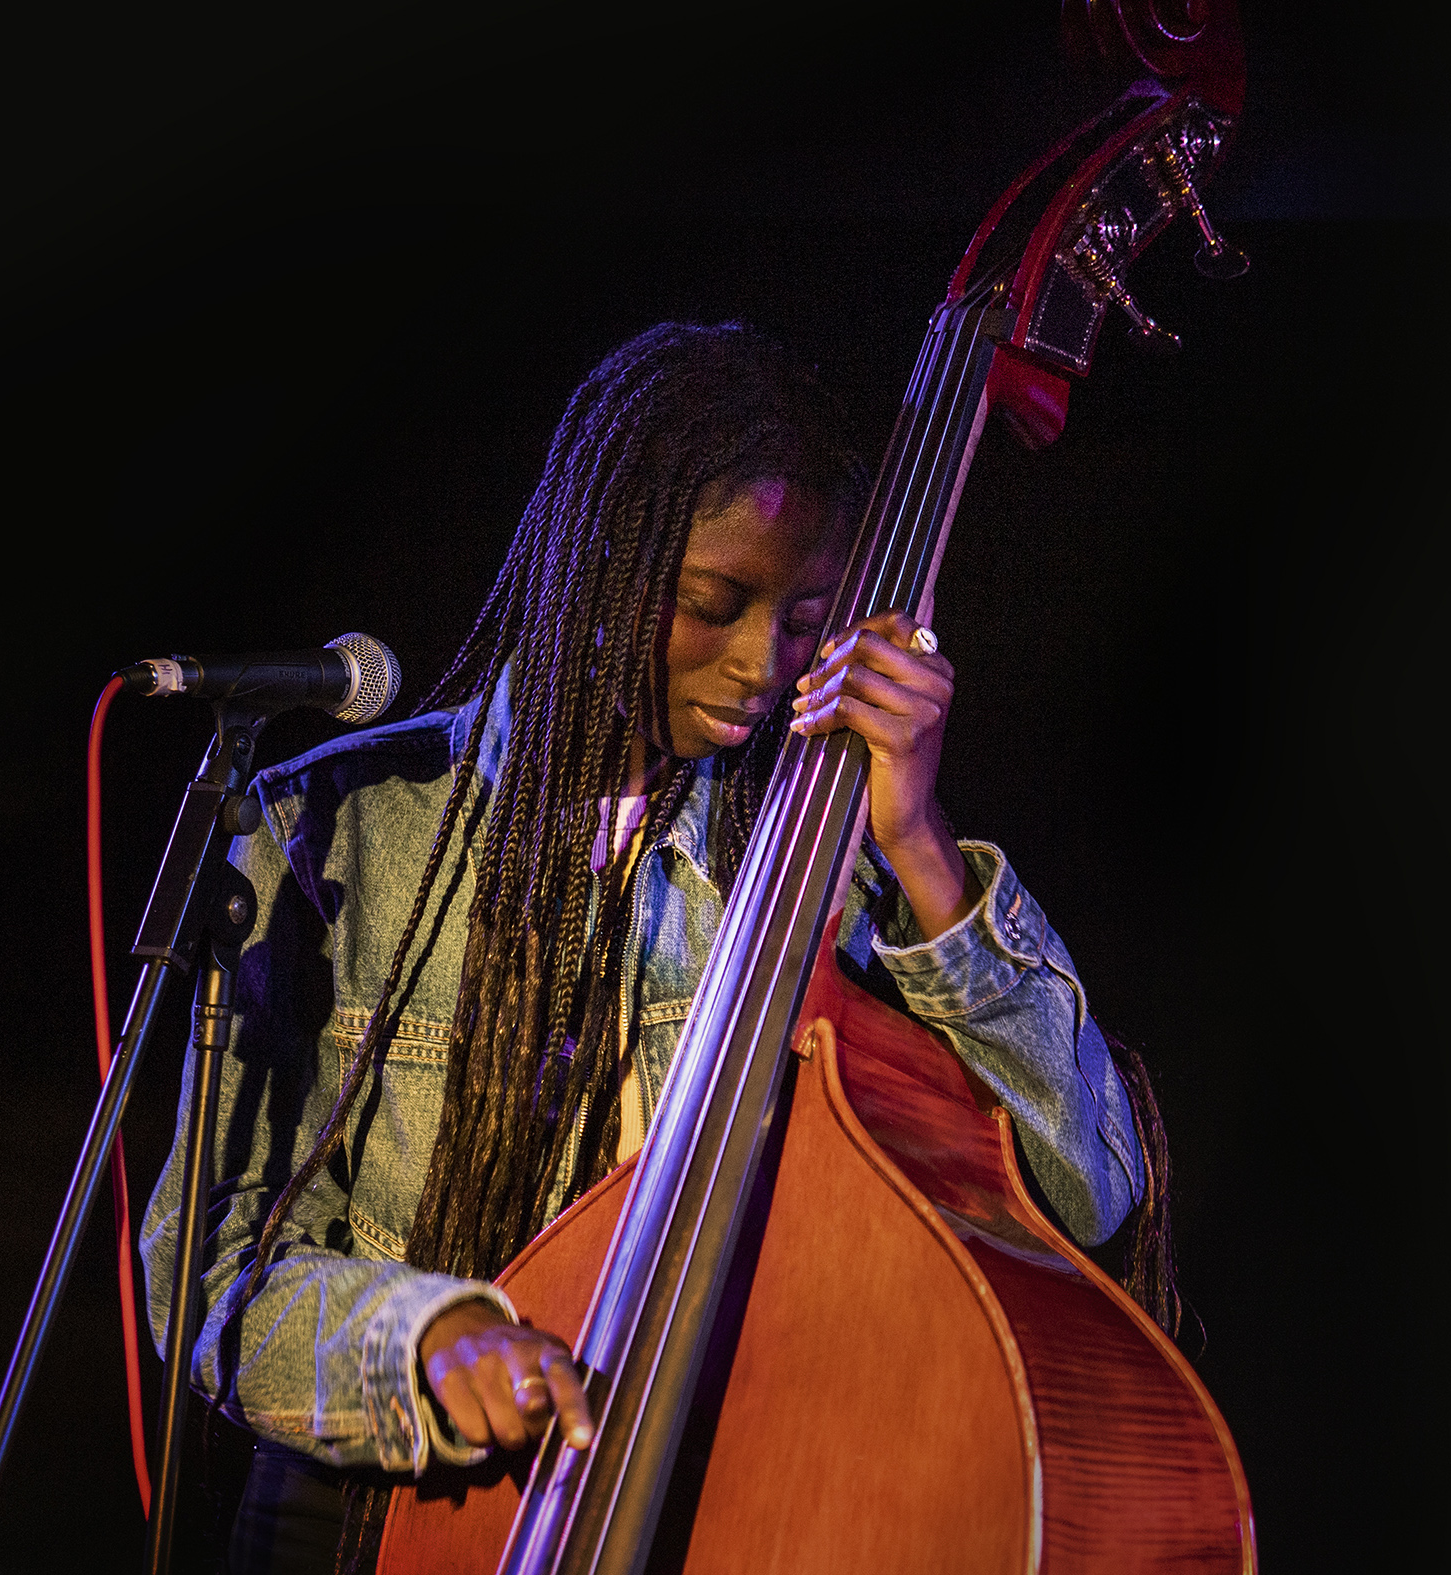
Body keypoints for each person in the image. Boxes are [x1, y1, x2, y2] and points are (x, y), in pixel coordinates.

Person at [140, 322, 1156, 1574]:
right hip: (362, 1520)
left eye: (805, 624)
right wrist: (426, 1341)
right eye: (712, 605)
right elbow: (205, 1274)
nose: (760, 669)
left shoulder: (813, 866)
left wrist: (922, 844)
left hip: (692, 1513)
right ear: (593, 568)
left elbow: (1087, 1186)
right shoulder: (329, 830)